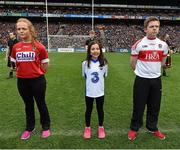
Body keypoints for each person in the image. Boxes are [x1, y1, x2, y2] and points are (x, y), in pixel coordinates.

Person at [128, 16, 169, 141]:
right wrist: (141, 73)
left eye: (157, 26)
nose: (155, 29)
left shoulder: (163, 45)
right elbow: (132, 63)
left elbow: (163, 63)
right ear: (145, 29)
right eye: (152, 26)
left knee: (154, 105)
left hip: (156, 80)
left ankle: (152, 127)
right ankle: (134, 128)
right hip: (142, 80)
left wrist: (157, 70)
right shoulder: (139, 44)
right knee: (139, 105)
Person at [10, 18, 51, 140]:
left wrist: (36, 72)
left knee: (41, 103)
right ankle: (30, 127)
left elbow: (45, 65)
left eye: (23, 28)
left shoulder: (39, 47)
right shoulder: (16, 47)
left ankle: (46, 126)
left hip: (37, 81)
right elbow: (14, 64)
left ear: (30, 29)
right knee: (28, 105)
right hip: (22, 81)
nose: (21, 31)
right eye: (18, 29)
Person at [82, 40, 108, 139]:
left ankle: (101, 127)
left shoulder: (104, 63)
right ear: (89, 51)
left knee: (100, 109)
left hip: (100, 92)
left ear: (100, 50)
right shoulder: (84, 64)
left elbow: (104, 76)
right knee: (88, 110)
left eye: (97, 49)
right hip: (89, 92)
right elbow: (85, 76)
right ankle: (87, 127)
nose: (95, 51)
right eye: (93, 49)